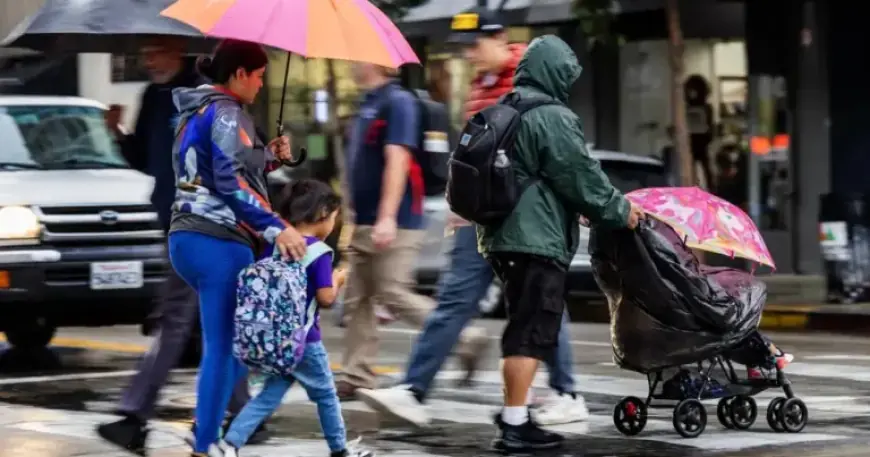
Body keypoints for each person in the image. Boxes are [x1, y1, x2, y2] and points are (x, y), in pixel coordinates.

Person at [355, 7, 587, 428]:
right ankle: (413, 390)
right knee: (456, 299)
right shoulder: (481, 85)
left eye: (475, 45)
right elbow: (473, 154)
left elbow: (547, 149)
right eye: (463, 48)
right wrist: (460, 203)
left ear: (500, 38)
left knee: (540, 301)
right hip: (482, 215)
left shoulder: (531, 78)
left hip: (522, 217)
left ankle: (567, 391)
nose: (469, 55)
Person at [95, 37, 265, 454]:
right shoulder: (154, 96)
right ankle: (245, 413)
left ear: (178, 48)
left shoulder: (208, 94)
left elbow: (241, 157)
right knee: (210, 322)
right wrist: (117, 133)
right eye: (144, 52)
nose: (148, 59)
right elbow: (146, 158)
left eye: (155, 50)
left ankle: (135, 416)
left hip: (205, 225)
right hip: (175, 222)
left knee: (175, 320)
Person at [477, 35, 644, 452]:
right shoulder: (551, 115)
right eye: (566, 75)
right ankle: (515, 424)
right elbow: (579, 174)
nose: (568, 83)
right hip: (535, 240)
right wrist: (620, 210)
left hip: (502, 236)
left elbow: (543, 177)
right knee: (531, 331)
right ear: (554, 73)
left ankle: (515, 414)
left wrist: (575, 207)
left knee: (523, 327)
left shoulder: (504, 107)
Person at [166, 39, 308, 457]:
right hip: (220, 240)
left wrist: (268, 157)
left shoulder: (198, 109)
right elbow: (229, 183)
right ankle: (205, 443)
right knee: (225, 348)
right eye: (259, 76)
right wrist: (276, 227)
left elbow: (216, 168)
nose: (262, 85)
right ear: (240, 73)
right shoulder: (228, 113)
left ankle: (206, 432)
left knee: (231, 347)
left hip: (187, 237)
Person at [334, 63, 486, 400]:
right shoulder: (367, 103)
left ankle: (465, 337)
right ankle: (357, 375)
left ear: (376, 63)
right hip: (365, 220)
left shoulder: (398, 102)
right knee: (358, 300)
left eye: (359, 59)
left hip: (397, 220)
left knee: (393, 293)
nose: (353, 64)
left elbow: (398, 159)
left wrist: (387, 216)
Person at [219, 179, 372, 457]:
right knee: (326, 395)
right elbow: (325, 298)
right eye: (334, 218)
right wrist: (337, 279)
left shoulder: (274, 245)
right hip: (305, 340)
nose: (333, 225)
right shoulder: (319, 252)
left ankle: (229, 445)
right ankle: (340, 449)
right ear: (323, 213)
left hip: (276, 338)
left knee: (268, 396)